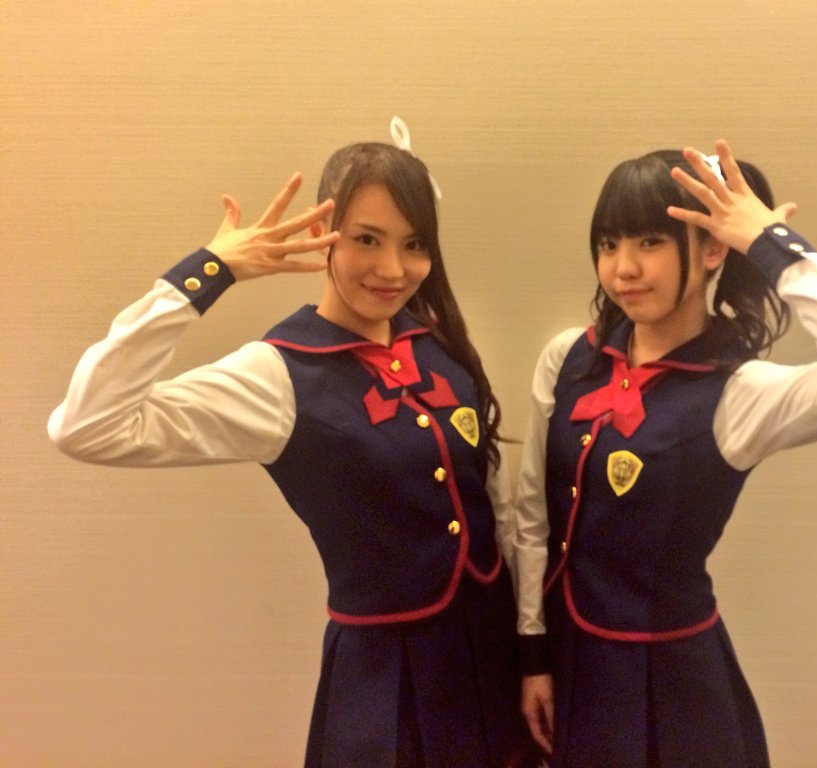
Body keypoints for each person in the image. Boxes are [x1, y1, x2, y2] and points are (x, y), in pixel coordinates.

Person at [48, 129, 532, 767]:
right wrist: (208, 273)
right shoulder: (276, 374)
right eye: (367, 239)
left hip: (491, 658)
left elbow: (492, 505)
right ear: (323, 232)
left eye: (414, 244)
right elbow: (87, 425)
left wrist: (533, 651)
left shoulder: (439, 343)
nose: (393, 270)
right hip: (387, 681)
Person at [515, 140, 817, 767]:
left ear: (712, 249)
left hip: (674, 686)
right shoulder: (567, 357)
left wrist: (770, 244)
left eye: (650, 242)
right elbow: (531, 518)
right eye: (608, 244)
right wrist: (532, 653)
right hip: (569, 667)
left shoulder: (741, 394)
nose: (623, 268)